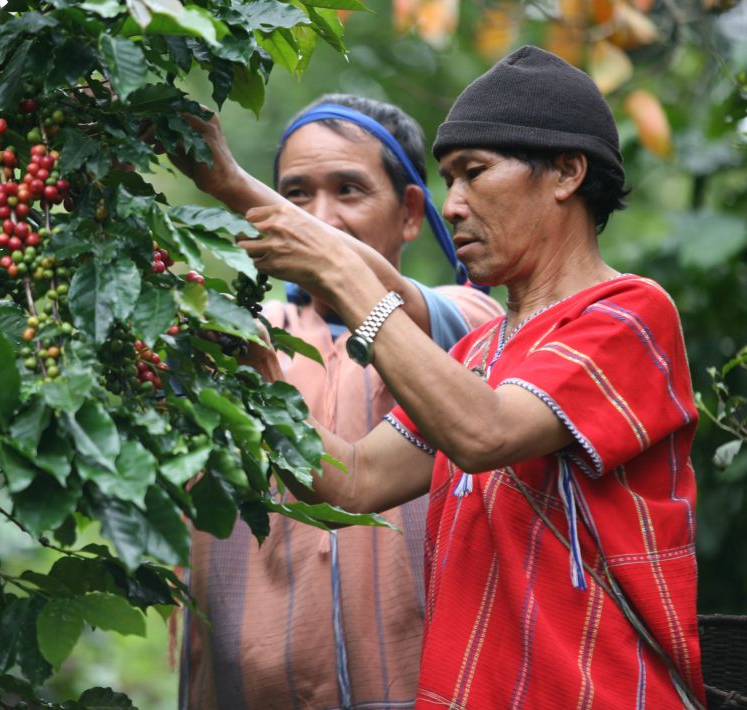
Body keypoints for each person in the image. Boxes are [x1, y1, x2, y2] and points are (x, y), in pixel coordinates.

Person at [214, 45, 704, 708]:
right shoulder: (476, 351)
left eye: (473, 173)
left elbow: (485, 432)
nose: (452, 205)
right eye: (448, 179)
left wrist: (343, 277)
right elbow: (353, 482)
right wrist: (250, 375)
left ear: (565, 172)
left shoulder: (626, 314)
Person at [177, 95, 502, 709]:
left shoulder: (471, 322)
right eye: (296, 194)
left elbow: (393, 305)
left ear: (410, 213)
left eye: (348, 189)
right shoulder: (237, 332)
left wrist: (229, 183)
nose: (319, 218)